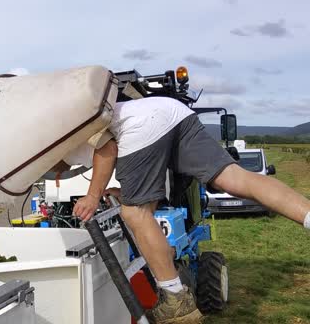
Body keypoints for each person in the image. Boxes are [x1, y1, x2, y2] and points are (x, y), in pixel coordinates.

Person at [56, 96, 310, 323]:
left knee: (134, 213)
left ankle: (176, 298)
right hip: (172, 111)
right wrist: (123, 193)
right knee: (235, 178)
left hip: (142, 125)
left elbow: (107, 149)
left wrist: (93, 195)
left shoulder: (61, 143)